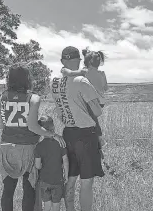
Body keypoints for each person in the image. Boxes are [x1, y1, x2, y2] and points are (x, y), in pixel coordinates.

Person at [0, 62, 65, 211]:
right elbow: (32, 126)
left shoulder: (3, 97)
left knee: (8, 191)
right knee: (28, 190)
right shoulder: (33, 98)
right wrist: (52, 134)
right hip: (27, 148)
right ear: (28, 78)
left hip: (7, 147)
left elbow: (1, 125)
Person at [51, 46, 105, 211]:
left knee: (70, 178)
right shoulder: (81, 81)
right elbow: (97, 111)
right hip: (86, 135)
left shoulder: (53, 82)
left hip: (68, 133)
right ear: (79, 61)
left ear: (62, 61)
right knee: (87, 182)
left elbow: (60, 110)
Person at [61, 47, 108, 149]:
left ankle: (99, 138)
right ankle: (98, 139)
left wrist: (66, 70)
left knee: (92, 120)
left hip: (89, 100)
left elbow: (69, 73)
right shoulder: (102, 73)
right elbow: (106, 88)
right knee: (93, 118)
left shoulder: (85, 71)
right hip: (100, 101)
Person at [34, 116, 69, 211]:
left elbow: (37, 166)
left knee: (47, 205)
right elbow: (65, 161)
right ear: (53, 127)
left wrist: (41, 166)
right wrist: (66, 175)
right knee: (56, 206)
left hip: (44, 181)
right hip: (58, 180)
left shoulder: (39, 146)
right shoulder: (61, 143)